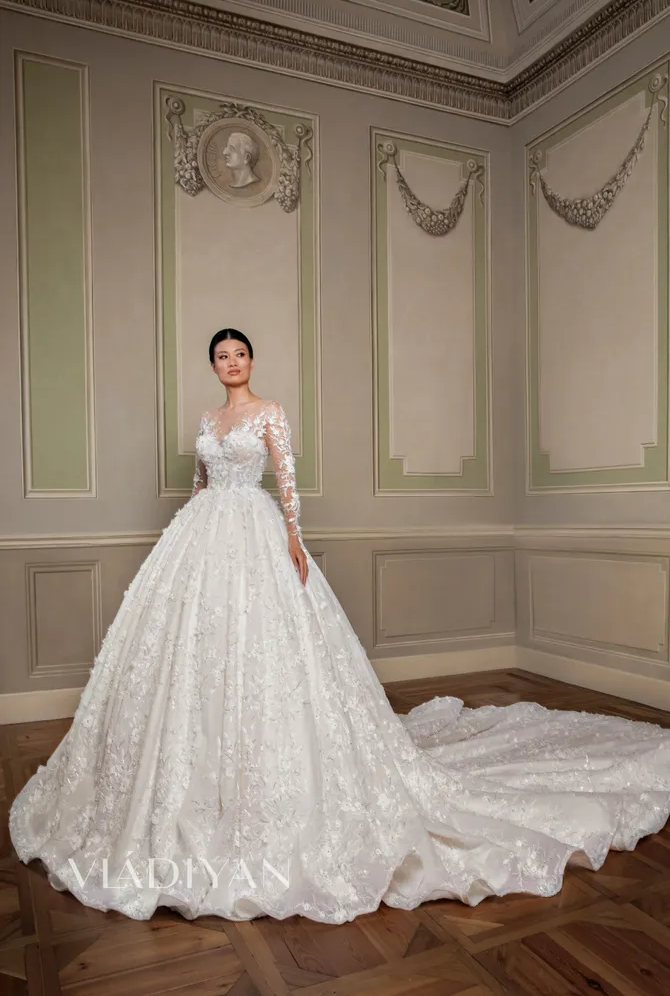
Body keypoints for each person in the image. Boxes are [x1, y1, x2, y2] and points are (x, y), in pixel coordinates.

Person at [8, 327, 670, 924]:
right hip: (203, 534)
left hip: (257, 532)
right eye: (222, 356)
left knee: (269, 657)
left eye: (239, 354)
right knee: (193, 661)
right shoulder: (208, 420)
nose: (231, 362)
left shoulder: (269, 412)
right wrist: (183, 534)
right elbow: (200, 485)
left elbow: (286, 479)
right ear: (212, 366)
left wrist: (294, 536)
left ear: (251, 361)